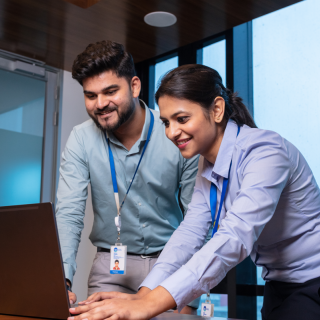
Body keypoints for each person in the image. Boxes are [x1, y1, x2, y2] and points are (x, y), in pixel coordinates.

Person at [68, 64, 320, 320]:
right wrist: (143, 295)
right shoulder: (207, 163)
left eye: (182, 119)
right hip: (278, 282)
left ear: (217, 110)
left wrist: (149, 303)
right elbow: (190, 233)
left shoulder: (266, 151)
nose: (171, 132)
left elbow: (235, 236)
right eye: (166, 122)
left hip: (314, 279)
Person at [55, 41, 200, 314]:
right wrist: (61, 278)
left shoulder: (176, 133)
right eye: (90, 95)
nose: (100, 104)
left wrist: (190, 285)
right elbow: (69, 213)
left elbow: (197, 216)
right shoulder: (81, 139)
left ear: (134, 86)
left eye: (110, 91)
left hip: (169, 263)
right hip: (110, 266)